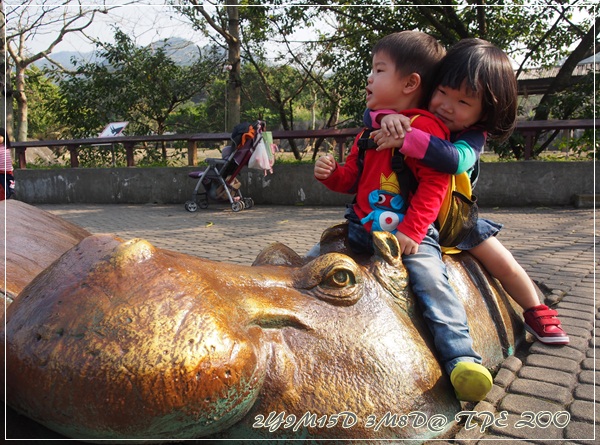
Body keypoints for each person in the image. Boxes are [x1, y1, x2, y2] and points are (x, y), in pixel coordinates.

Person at [314, 31, 493, 402]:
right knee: (315, 265)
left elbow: (434, 186)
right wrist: (332, 174)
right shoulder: (369, 129)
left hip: (409, 235)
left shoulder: (427, 131)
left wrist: (413, 230)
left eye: (378, 70)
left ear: (411, 83)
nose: (369, 77)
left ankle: (460, 358)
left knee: (431, 280)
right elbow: (353, 179)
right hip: (361, 229)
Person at [368, 38, 569, 345]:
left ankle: (536, 310)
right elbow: (370, 114)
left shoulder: (473, 136)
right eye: (442, 93)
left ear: (485, 111)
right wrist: (388, 117)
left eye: (463, 102)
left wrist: (408, 141)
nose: (447, 106)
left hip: (453, 220)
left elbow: (453, 159)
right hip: (404, 212)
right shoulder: (421, 114)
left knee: (502, 262)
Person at [0, 128, 15, 201]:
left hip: (9, 171)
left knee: (10, 187)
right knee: (4, 189)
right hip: (0, 172)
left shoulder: (6, 147)